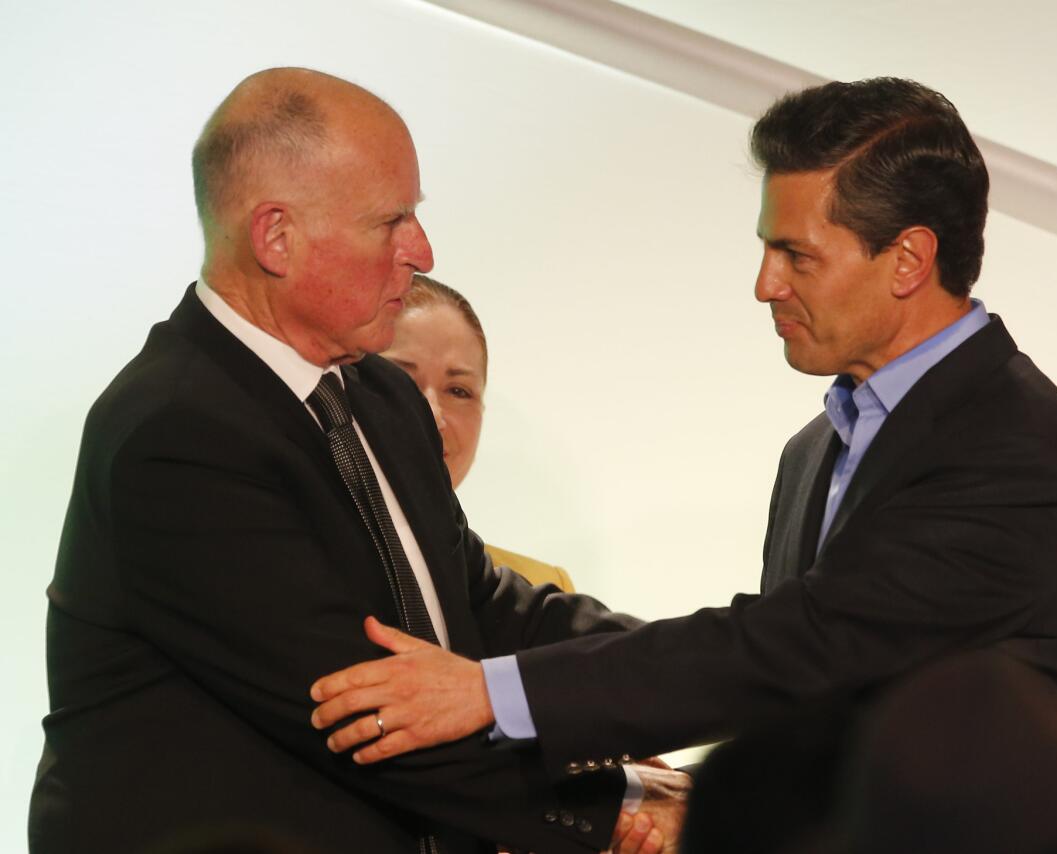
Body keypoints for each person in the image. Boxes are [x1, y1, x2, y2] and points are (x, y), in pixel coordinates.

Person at [309, 77, 1057, 848]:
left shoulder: (1015, 444)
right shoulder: (818, 449)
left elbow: (801, 646)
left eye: (798, 255)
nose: (765, 284)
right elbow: (812, 697)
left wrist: (492, 692)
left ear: (908, 259)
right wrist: (705, 792)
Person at [29, 67, 687, 854]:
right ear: (277, 236)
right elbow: (360, 710)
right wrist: (620, 806)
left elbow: (480, 609)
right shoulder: (175, 435)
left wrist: (722, 671)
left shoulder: (375, 394)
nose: (423, 250)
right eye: (392, 221)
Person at [381, 274, 574, 590]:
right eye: (400, 379)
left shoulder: (541, 587)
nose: (432, 414)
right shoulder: (294, 559)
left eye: (458, 391)